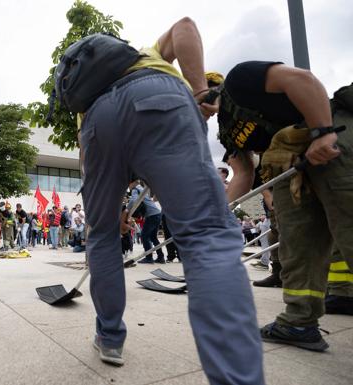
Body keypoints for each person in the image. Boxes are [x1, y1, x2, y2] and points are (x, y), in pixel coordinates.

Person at [78, 17, 263, 383]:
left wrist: (110, 211)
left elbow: (87, 162)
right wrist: (198, 92)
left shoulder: (86, 100)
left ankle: (110, 338)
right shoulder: (145, 55)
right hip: (157, 96)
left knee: (101, 236)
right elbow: (185, 27)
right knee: (205, 234)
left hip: (98, 124)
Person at [216, 60, 352, 352]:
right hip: (291, 167)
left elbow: (303, 80)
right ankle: (299, 322)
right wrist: (217, 217)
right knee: (297, 243)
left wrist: (322, 131)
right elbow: (244, 174)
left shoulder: (238, 81)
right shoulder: (225, 132)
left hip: (331, 143)